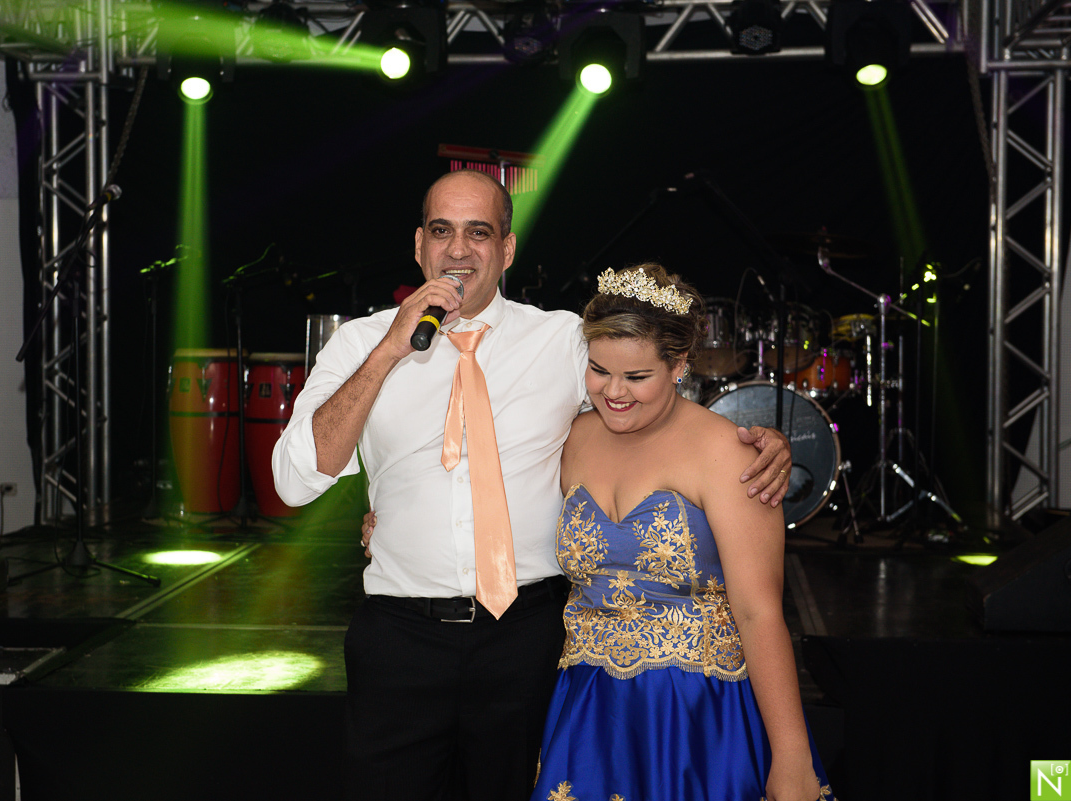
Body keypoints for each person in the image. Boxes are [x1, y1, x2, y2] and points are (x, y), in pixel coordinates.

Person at [271, 170, 793, 801]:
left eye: (479, 233)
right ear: (418, 245)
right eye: (443, 230)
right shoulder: (359, 342)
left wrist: (756, 438)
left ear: (508, 250)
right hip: (401, 639)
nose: (459, 250)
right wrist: (389, 350)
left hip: (528, 637)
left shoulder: (563, 340)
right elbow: (295, 482)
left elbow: (644, 396)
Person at [529, 263, 834, 801]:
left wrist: (791, 756)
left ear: (679, 365)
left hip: (695, 714)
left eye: (637, 377)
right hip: (589, 710)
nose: (613, 392)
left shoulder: (729, 452)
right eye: (599, 371)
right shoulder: (573, 435)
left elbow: (759, 612)